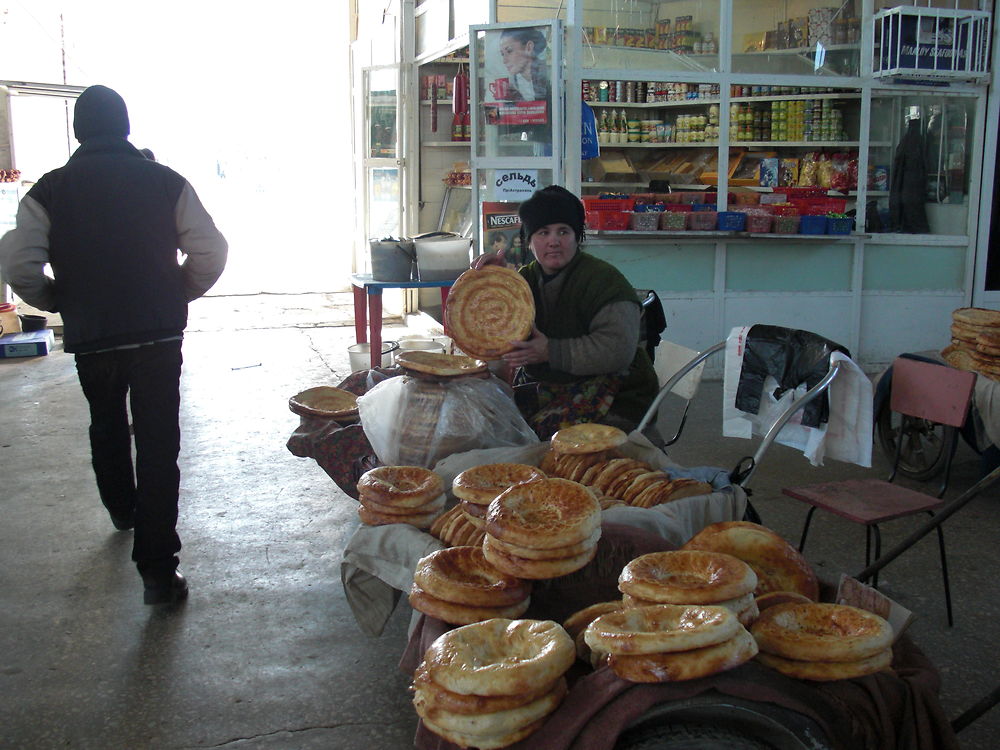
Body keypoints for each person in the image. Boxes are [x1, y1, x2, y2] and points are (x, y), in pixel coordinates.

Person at [0, 85, 228, 605]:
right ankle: (157, 572)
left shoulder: (49, 191)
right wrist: (182, 289)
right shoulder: (165, 181)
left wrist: (57, 299)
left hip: (94, 335)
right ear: (126, 127)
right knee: (157, 442)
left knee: (105, 421)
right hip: (158, 333)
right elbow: (210, 249)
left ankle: (122, 509)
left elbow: (17, 266)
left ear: (79, 132)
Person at [474, 185, 658, 439]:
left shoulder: (603, 281)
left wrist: (550, 351)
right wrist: (496, 283)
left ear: (576, 236)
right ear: (529, 239)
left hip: (619, 394)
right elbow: (496, 332)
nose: (554, 241)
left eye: (564, 231)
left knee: (538, 444)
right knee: (492, 427)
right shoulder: (526, 279)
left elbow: (618, 351)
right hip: (554, 387)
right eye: (543, 232)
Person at [498, 27, 550, 103]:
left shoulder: (548, 76)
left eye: (509, 51)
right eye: (502, 54)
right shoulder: (515, 81)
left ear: (529, 47)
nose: (504, 60)